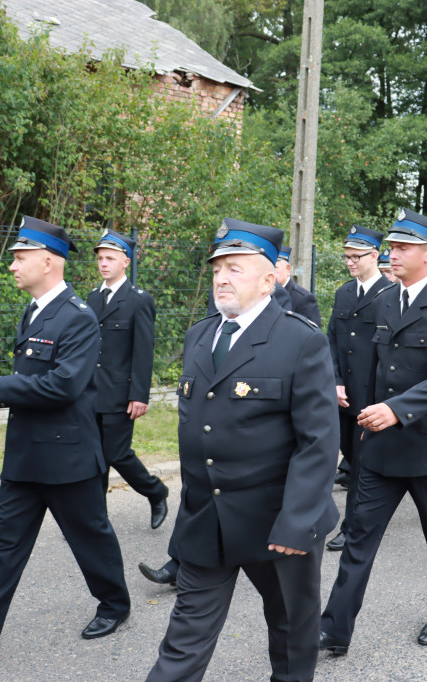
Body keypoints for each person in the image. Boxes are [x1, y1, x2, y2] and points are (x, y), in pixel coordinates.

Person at [145, 219, 339, 682]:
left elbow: (318, 443)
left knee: (292, 631)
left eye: (235, 268)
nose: (221, 278)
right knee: (184, 639)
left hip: (276, 521)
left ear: (268, 279)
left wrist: (297, 523)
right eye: (217, 269)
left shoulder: (301, 341)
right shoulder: (200, 335)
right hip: (207, 520)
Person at [0, 217, 130, 660]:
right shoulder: (35, 310)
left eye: (21, 258)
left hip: (67, 454)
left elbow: (65, 385)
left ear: (49, 261)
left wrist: (2, 388)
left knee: (90, 536)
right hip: (26, 455)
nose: (13, 266)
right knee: (3, 544)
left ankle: (115, 604)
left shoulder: (78, 318)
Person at [319, 208, 427, 655]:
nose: (393, 255)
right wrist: (364, 417)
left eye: (403, 248)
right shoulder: (384, 301)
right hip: (381, 446)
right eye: (391, 247)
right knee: (358, 540)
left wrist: (395, 409)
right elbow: (370, 369)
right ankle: (334, 628)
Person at [86, 229, 169, 529]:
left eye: (110, 258)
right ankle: (95, 519)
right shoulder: (92, 298)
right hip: (91, 393)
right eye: (100, 258)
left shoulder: (138, 300)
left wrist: (140, 394)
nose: (103, 264)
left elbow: (143, 351)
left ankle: (156, 491)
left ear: (125, 261)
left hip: (121, 394)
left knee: (116, 454)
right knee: (93, 457)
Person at [324, 225, 393, 552]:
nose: (350, 262)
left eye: (356, 257)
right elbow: (333, 341)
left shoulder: (389, 294)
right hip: (342, 394)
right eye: (347, 257)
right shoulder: (343, 293)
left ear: (375, 256)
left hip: (371, 396)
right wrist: (335, 381)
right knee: (348, 456)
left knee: (363, 464)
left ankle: (353, 527)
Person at [275, 246, 322, 326]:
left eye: (275, 267)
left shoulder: (303, 299)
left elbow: (311, 335)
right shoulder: (264, 294)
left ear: (288, 269)